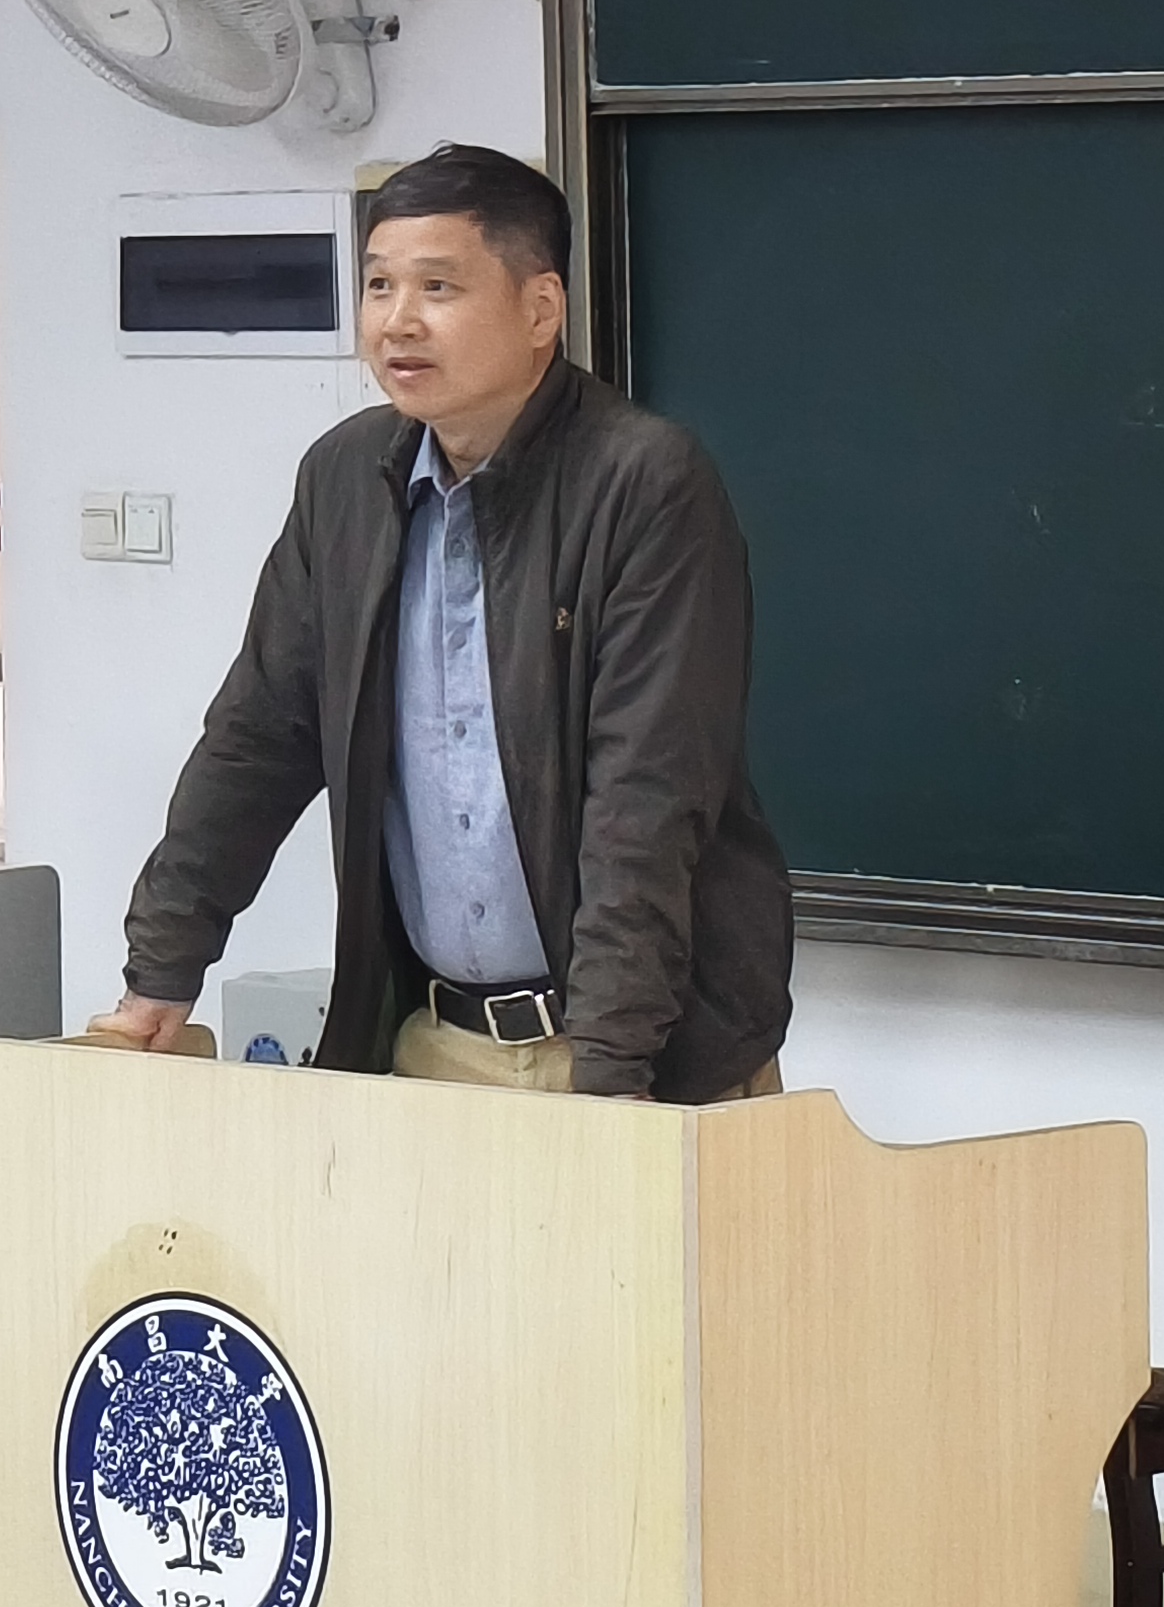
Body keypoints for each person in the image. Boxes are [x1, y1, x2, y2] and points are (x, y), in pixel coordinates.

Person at [91, 143, 793, 1100]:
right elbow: (258, 738)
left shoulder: (643, 484)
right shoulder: (344, 480)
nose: (397, 321)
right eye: (379, 285)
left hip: (639, 1050)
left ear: (540, 309)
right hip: (433, 1040)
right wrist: (162, 968)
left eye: (438, 286)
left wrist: (614, 1078)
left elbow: (647, 800)